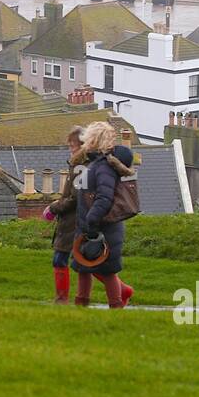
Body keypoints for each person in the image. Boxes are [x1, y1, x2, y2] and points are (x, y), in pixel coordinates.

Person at [72, 121, 135, 309]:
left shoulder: (103, 167)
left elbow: (104, 198)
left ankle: (116, 306)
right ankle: (80, 307)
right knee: (83, 269)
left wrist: (91, 220)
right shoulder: (96, 164)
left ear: (94, 139)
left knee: (107, 271)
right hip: (88, 226)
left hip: (100, 227)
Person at [44, 126, 85, 304]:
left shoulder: (79, 168)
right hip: (70, 221)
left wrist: (54, 208)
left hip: (73, 221)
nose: (70, 149)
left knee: (63, 259)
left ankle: (62, 299)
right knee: (78, 261)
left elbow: (74, 199)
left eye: (72, 145)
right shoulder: (77, 166)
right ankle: (62, 298)